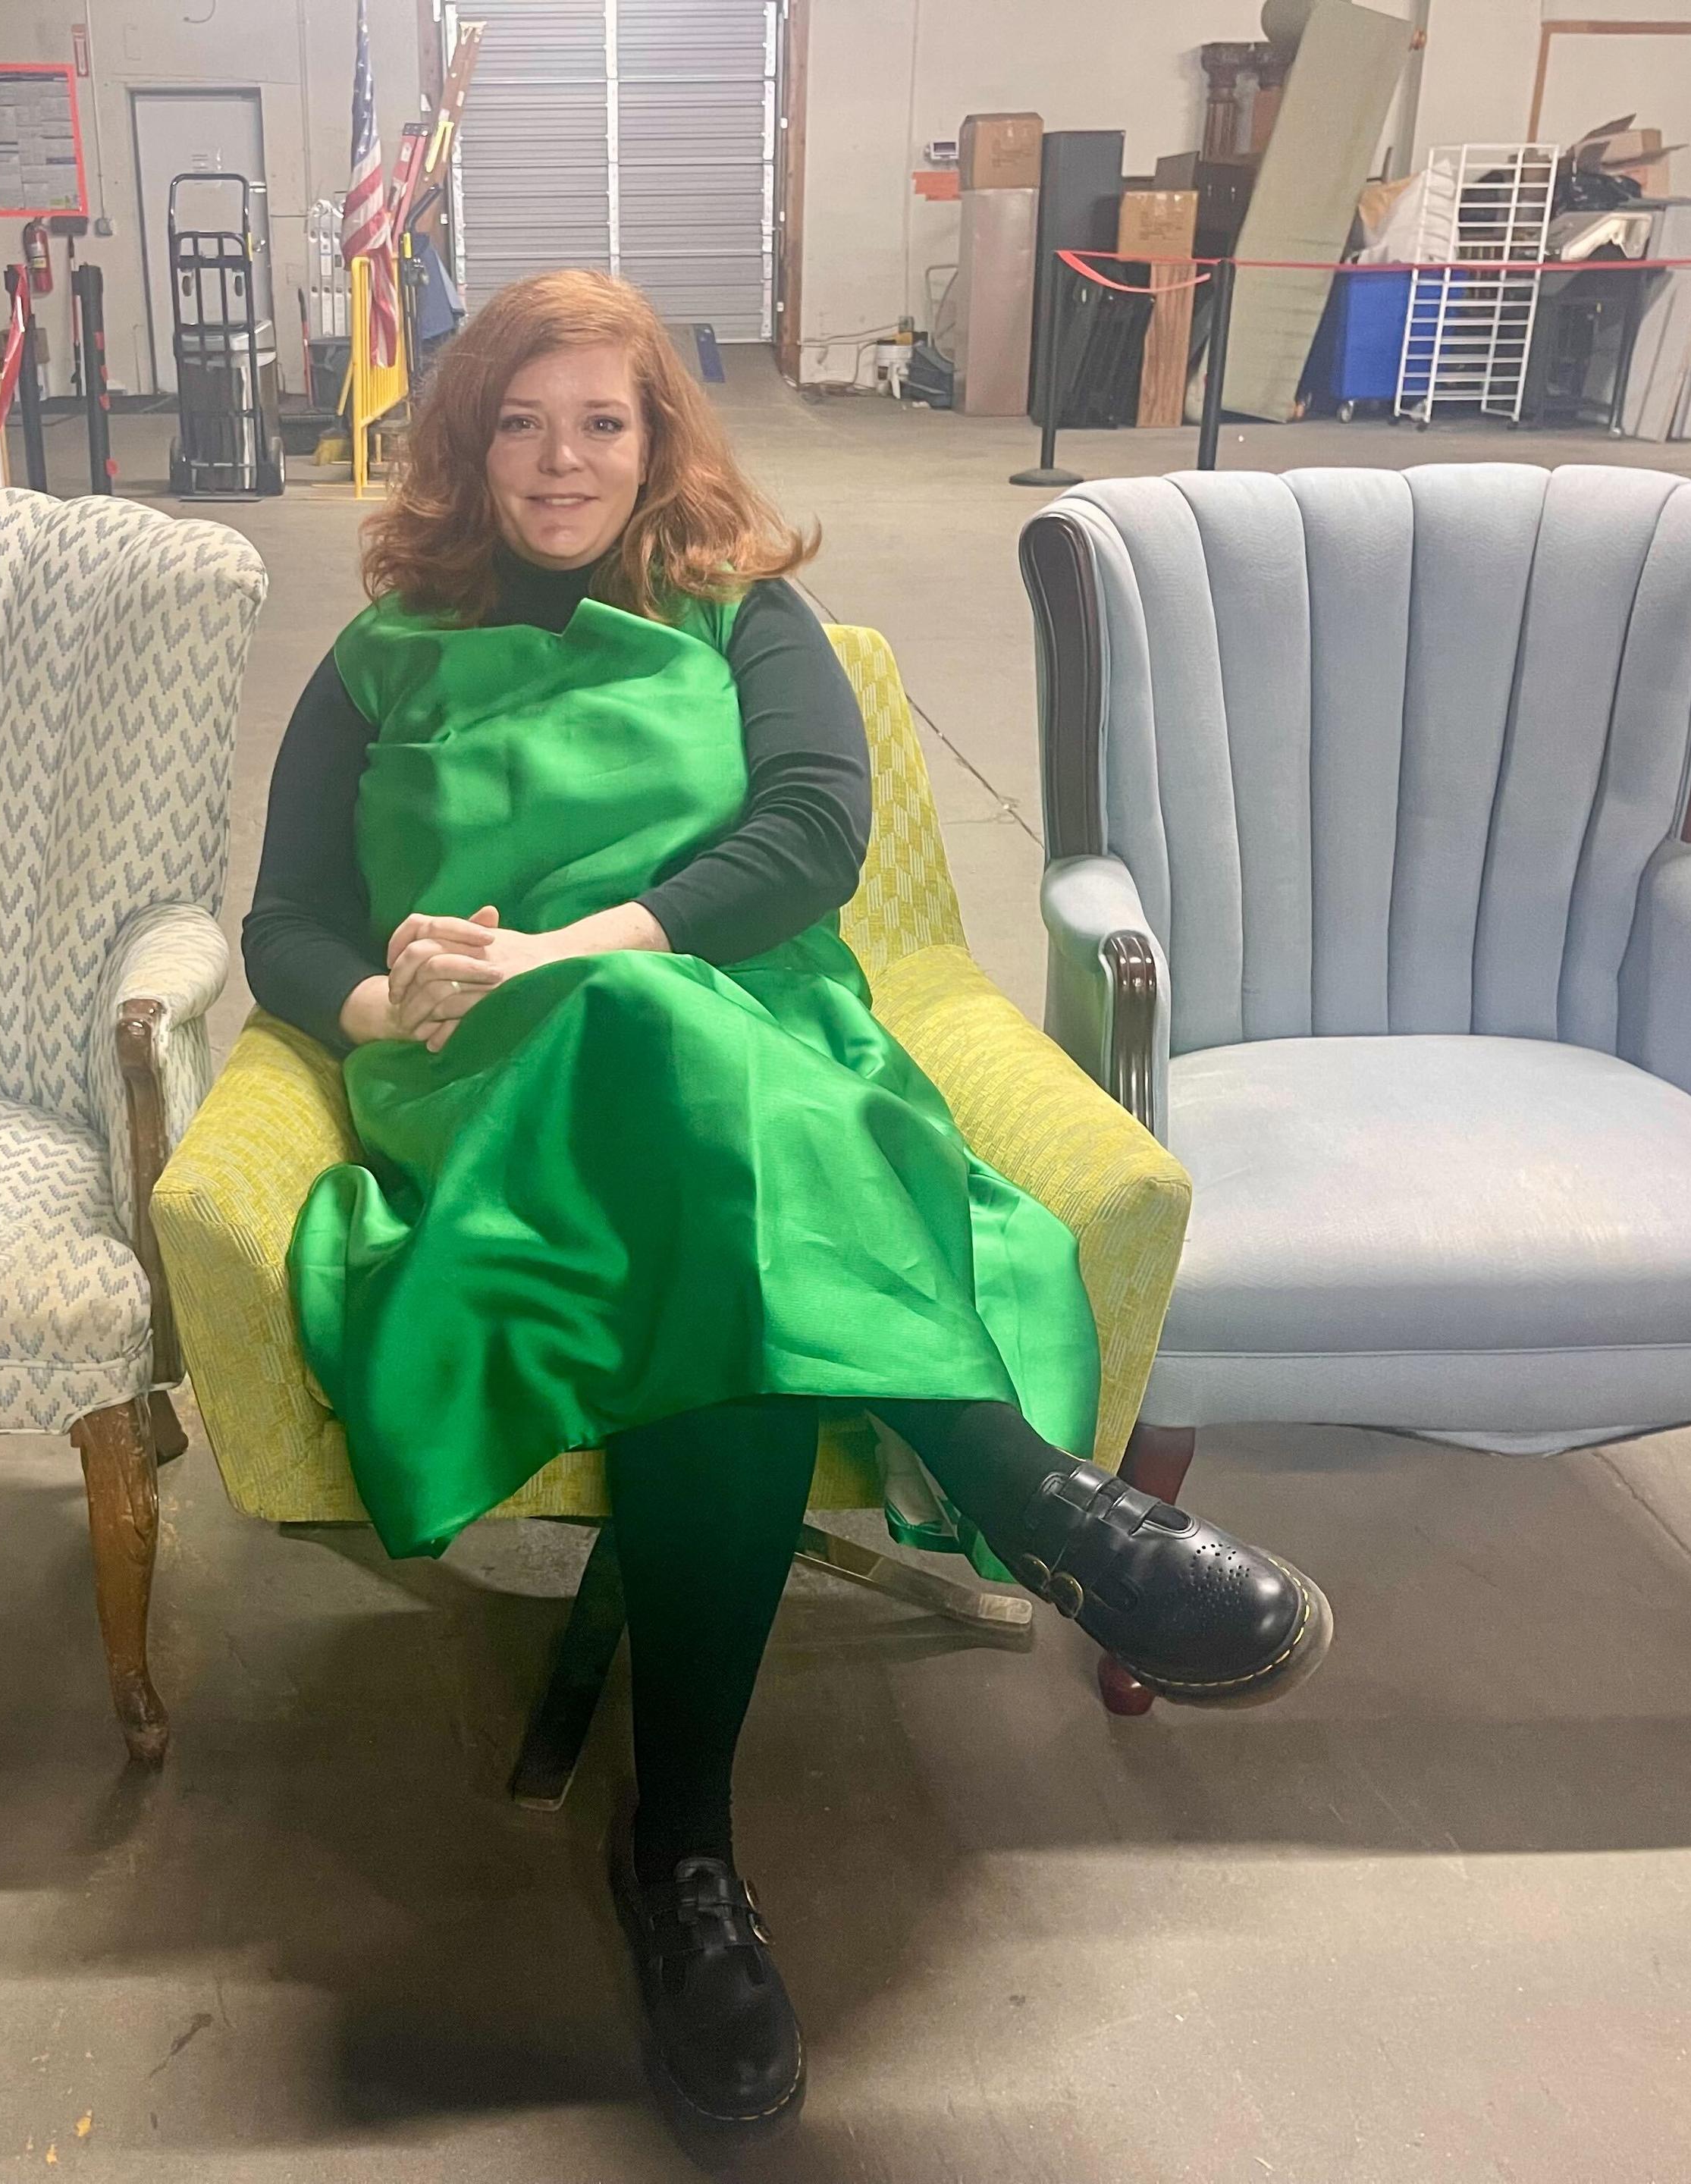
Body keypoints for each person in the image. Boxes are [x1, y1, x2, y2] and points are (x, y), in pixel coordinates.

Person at [243, 269, 1329, 2142]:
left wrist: (572, 947)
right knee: (671, 1101)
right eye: (521, 420)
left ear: (660, 437)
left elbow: (812, 836)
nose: (561, 459)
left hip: (753, 1051)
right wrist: (381, 1001)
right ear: (465, 439)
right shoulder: (375, 661)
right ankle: (1035, 1503)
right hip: (495, 1096)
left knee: (715, 1250)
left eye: (603, 420)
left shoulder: (747, 609)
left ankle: (683, 1863)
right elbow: (285, 923)